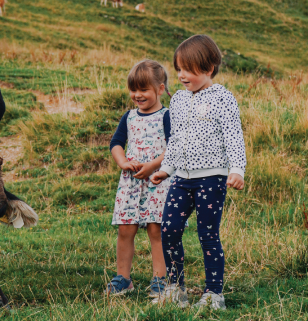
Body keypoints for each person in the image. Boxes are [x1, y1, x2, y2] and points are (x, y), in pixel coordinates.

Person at [149, 34, 247, 310]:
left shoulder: (223, 98)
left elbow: (233, 136)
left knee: (207, 234)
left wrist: (237, 169)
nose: (181, 75)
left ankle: (213, 294)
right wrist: (166, 169)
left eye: (188, 70)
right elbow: (176, 139)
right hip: (181, 179)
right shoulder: (178, 101)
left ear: (209, 68)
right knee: (168, 229)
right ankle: (175, 288)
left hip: (211, 178)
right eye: (178, 69)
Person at [105, 59, 174, 298]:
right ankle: (123, 278)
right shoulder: (129, 117)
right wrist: (123, 162)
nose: (137, 95)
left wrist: (153, 166)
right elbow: (116, 143)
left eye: (144, 90)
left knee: (157, 231)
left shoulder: (167, 116)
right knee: (126, 230)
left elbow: (173, 148)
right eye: (133, 90)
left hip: (157, 181)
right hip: (131, 182)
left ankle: (160, 279)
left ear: (160, 89)